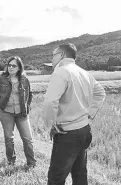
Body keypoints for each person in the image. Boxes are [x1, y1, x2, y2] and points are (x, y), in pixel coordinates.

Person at [43, 43, 106, 185]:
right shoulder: (84, 72)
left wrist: (51, 124)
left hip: (67, 133)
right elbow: (101, 92)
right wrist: (90, 113)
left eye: (54, 55)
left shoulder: (60, 72)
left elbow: (50, 101)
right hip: (84, 130)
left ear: (62, 55)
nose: (52, 59)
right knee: (80, 173)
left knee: (56, 177)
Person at [0, 56, 37, 169]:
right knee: (9, 138)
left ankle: (31, 163)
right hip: (6, 112)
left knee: (27, 138)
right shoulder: (1, 78)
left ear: (19, 68)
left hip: (22, 113)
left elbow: (30, 94)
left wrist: (27, 106)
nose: (11, 67)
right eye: (9, 65)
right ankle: (11, 162)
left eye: (14, 65)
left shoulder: (24, 79)